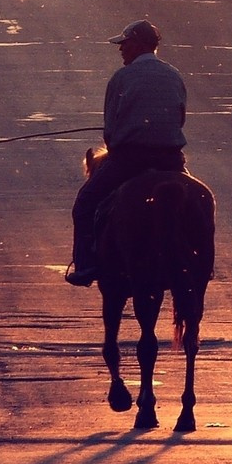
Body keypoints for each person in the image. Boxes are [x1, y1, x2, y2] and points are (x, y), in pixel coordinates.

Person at [65, 19, 188, 286]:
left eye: (125, 44)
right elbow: (180, 118)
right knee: (195, 201)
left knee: (85, 204)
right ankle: (194, 261)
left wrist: (122, 137)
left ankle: (86, 265)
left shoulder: (122, 78)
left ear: (139, 45)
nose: (121, 49)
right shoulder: (174, 75)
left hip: (129, 159)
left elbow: (110, 129)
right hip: (171, 159)